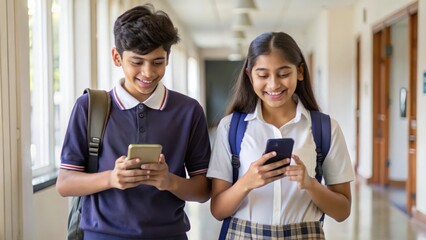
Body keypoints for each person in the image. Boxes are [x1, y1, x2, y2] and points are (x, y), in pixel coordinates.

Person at [56, 4, 211, 240]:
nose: (148, 73)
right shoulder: (89, 107)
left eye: (157, 62)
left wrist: (169, 181)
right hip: (101, 235)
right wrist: (111, 178)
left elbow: (203, 190)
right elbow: (65, 184)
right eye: (137, 62)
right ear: (117, 57)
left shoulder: (189, 111)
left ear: (168, 58)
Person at [207, 32, 355, 239]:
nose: (274, 84)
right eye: (263, 75)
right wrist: (246, 182)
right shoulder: (230, 127)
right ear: (250, 76)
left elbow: (342, 211)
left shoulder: (326, 128)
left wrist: (310, 184)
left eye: (284, 74)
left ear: (300, 72)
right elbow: (218, 210)